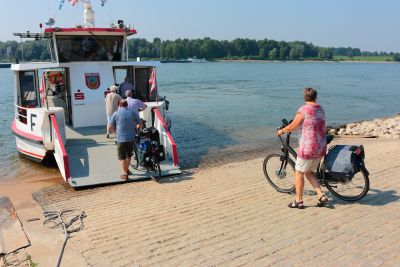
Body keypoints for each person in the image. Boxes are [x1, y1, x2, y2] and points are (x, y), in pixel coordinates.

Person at [277, 87, 328, 209]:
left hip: (308, 149)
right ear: (316, 97)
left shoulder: (304, 109)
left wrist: (281, 131)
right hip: (320, 147)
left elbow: (293, 126)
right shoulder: (320, 109)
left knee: (299, 172)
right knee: (309, 172)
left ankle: (298, 201)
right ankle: (321, 196)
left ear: (305, 97)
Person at [108, 99, 142, 180]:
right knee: (129, 155)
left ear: (119, 105)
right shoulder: (133, 112)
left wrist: (115, 132)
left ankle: (125, 174)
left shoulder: (115, 113)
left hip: (121, 138)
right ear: (127, 105)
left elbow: (110, 127)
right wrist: (136, 128)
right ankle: (127, 169)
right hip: (131, 138)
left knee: (122, 157)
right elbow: (140, 124)